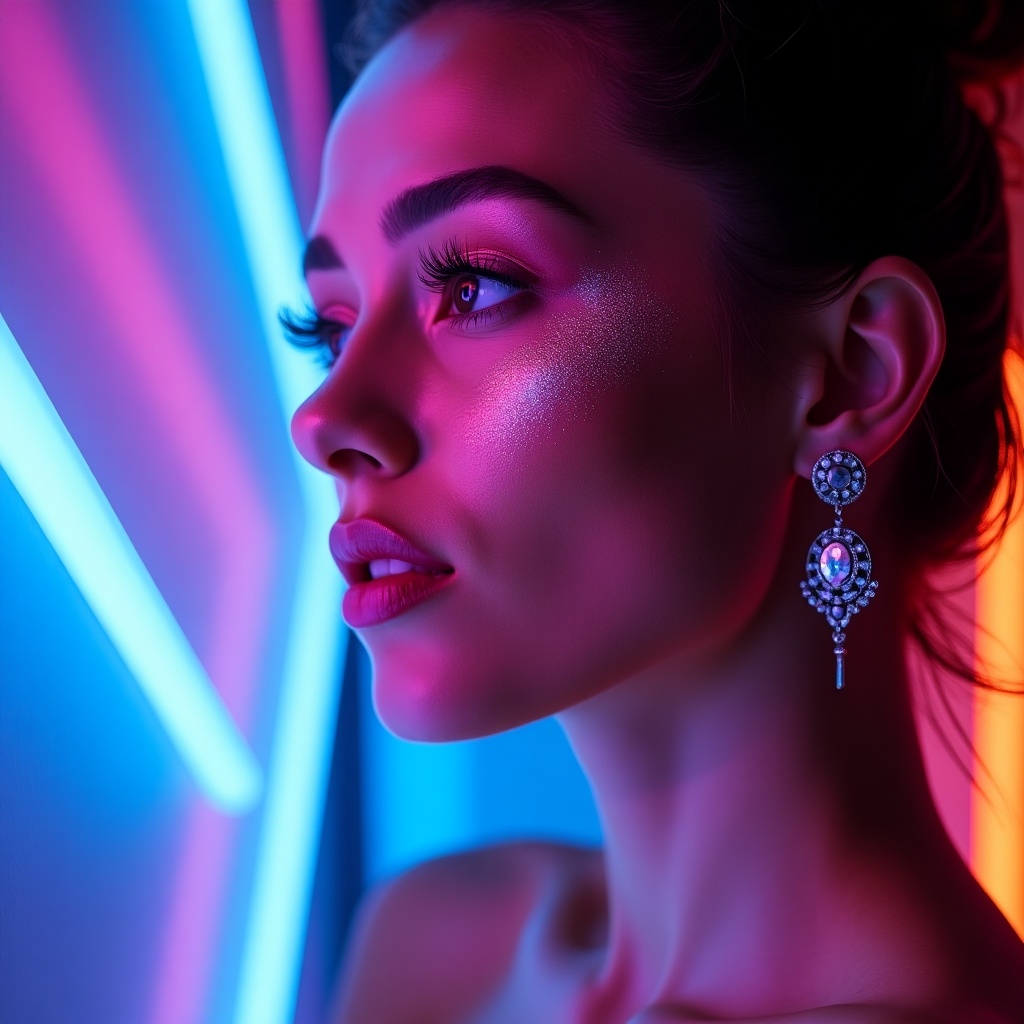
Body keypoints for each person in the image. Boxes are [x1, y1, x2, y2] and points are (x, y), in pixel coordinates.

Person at [287, 0, 1024, 1020]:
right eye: (326, 326)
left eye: (476, 285)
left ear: (855, 370)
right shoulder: (438, 942)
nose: (328, 415)